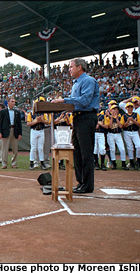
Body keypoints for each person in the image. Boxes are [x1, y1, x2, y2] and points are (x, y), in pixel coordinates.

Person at [51, 58, 99, 193]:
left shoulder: (88, 81)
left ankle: (88, 185)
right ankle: (81, 182)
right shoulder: (75, 83)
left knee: (86, 153)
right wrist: (62, 107)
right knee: (77, 153)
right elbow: (75, 104)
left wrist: (64, 100)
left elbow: (84, 101)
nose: (69, 69)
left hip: (86, 117)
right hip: (77, 118)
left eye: (71, 67)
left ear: (79, 67)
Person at [119, 96, 140, 169]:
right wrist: (130, 99)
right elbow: (121, 104)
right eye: (134, 102)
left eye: (136, 102)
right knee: (132, 146)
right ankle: (132, 162)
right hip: (132, 129)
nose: (135, 104)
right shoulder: (130, 108)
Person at [0, 97, 23, 169]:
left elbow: (19, 124)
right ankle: (4, 163)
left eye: (14, 102)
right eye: (12, 101)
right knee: (4, 148)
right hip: (5, 131)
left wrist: (20, 133)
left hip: (15, 130)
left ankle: (14, 163)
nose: (13, 103)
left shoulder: (17, 112)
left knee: (15, 148)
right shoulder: (3, 112)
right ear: (8, 102)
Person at [27, 97, 49, 170]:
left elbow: (47, 122)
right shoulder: (31, 113)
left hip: (41, 130)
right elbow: (28, 123)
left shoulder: (44, 113)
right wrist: (35, 121)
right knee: (33, 148)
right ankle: (31, 162)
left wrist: (42, 120)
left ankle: (42, 163)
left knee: (40, 148)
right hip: (34, 130)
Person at [105, 104, 129, 170]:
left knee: (122, 149)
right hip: (110, 134)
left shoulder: (120, 117)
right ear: (111, 110)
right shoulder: (107, 117)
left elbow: (121, 126)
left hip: (118, 134)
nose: (115, 110)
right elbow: (109, 126)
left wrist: (116, 119)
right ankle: (114, 163)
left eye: (116, 109)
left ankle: (123, 164)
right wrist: (112, 118)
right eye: (113, 109)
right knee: (112, 149)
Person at [121, 102, 140, 170]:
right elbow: (122, 126)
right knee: (130, 148)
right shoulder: (124, 116)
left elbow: (139, 125)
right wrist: (127, 122)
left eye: (131, 107)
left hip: (135, 132)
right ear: (126, 108)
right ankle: (131, 162)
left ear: (133, 108)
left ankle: (138, 161)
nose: (130, 108)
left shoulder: (136, 114)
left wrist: (133, 120)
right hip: (127, 132)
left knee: (139, 146)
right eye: (128, 107)